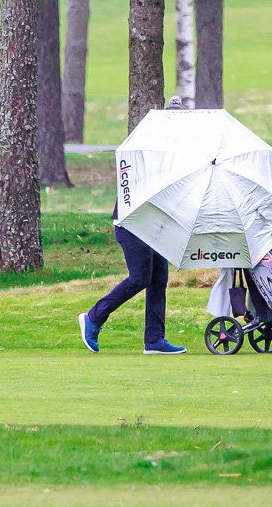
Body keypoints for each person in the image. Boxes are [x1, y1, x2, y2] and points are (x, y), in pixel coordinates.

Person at [78, 96, 189, 355]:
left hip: (156, 224)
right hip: (134, 220)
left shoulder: (177, 152)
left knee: (159, 278)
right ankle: (94, 318)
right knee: (140, 276)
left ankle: (154, 340)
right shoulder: (147, 148)